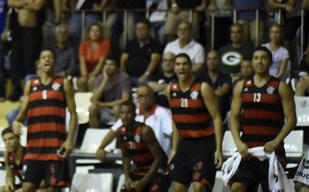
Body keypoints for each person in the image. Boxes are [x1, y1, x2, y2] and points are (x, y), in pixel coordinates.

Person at [228, 46, 296, 192]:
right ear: (252, 62)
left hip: (272, 152)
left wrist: (277, 140)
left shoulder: (281, 86)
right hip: (248, 151)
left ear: (270, 62)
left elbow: (291, 119)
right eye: (256, 58)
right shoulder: (241, 86)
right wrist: (238, 142)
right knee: (237, 187)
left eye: (264, 58)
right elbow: (233, 117)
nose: (260, 62)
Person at [12, 49, 77, 192]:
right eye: (44, 57)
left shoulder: (63, 83)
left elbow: (73, 114)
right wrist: (16, 122)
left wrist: (69, 139)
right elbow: (22, 114)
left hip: (55, 146)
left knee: (52, 190)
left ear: (55, 61)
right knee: (27, 187)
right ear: (39, 63)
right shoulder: (31, 84)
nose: (47, 60)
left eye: (50, 57)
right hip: (33, 147)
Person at [167, 53, 223, 192]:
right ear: (174, 68)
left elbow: (217, 118)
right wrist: (174, 149)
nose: (181, 67)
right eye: (178, 64)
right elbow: (175, 119)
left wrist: (219, 149)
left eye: (185, 64)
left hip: (204, 144)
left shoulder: (203, 88)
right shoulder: (171, 89)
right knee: (176, 188)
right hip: (184, 144)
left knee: (199, 187)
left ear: (191, 67)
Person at [116, 101, 167, 191]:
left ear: (135, 115)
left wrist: (144, 181)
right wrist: (127, 178)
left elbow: (159, 158)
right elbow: (126, 157)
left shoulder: (144, 131)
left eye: (128, 113)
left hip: (157, 170)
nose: (125, 116)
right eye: (122, 113)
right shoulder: (120, 132)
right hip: (139, 170)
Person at [88, 55, 131, 127]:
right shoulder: (100, 78)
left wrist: (104, 104)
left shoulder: (124, 77)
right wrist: (105, 79)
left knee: (117, 108)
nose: (108, 67)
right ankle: (95, 133)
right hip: (103, 110)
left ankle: (119, 133)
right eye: (106, 64)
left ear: (117, 67)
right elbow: (94, 99)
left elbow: (125, 99)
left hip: (117, 108)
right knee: (92, 108)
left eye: (111, 64)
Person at [0, 127, 25, 192]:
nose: (7, 142)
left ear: (18, 139)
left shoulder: (28, 154)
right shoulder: (7, 154)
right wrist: (9, 182)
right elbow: (9, 176)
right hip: (22, 185)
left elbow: (37, 180)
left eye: (11, 138)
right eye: (5, 140)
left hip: (34, 186)